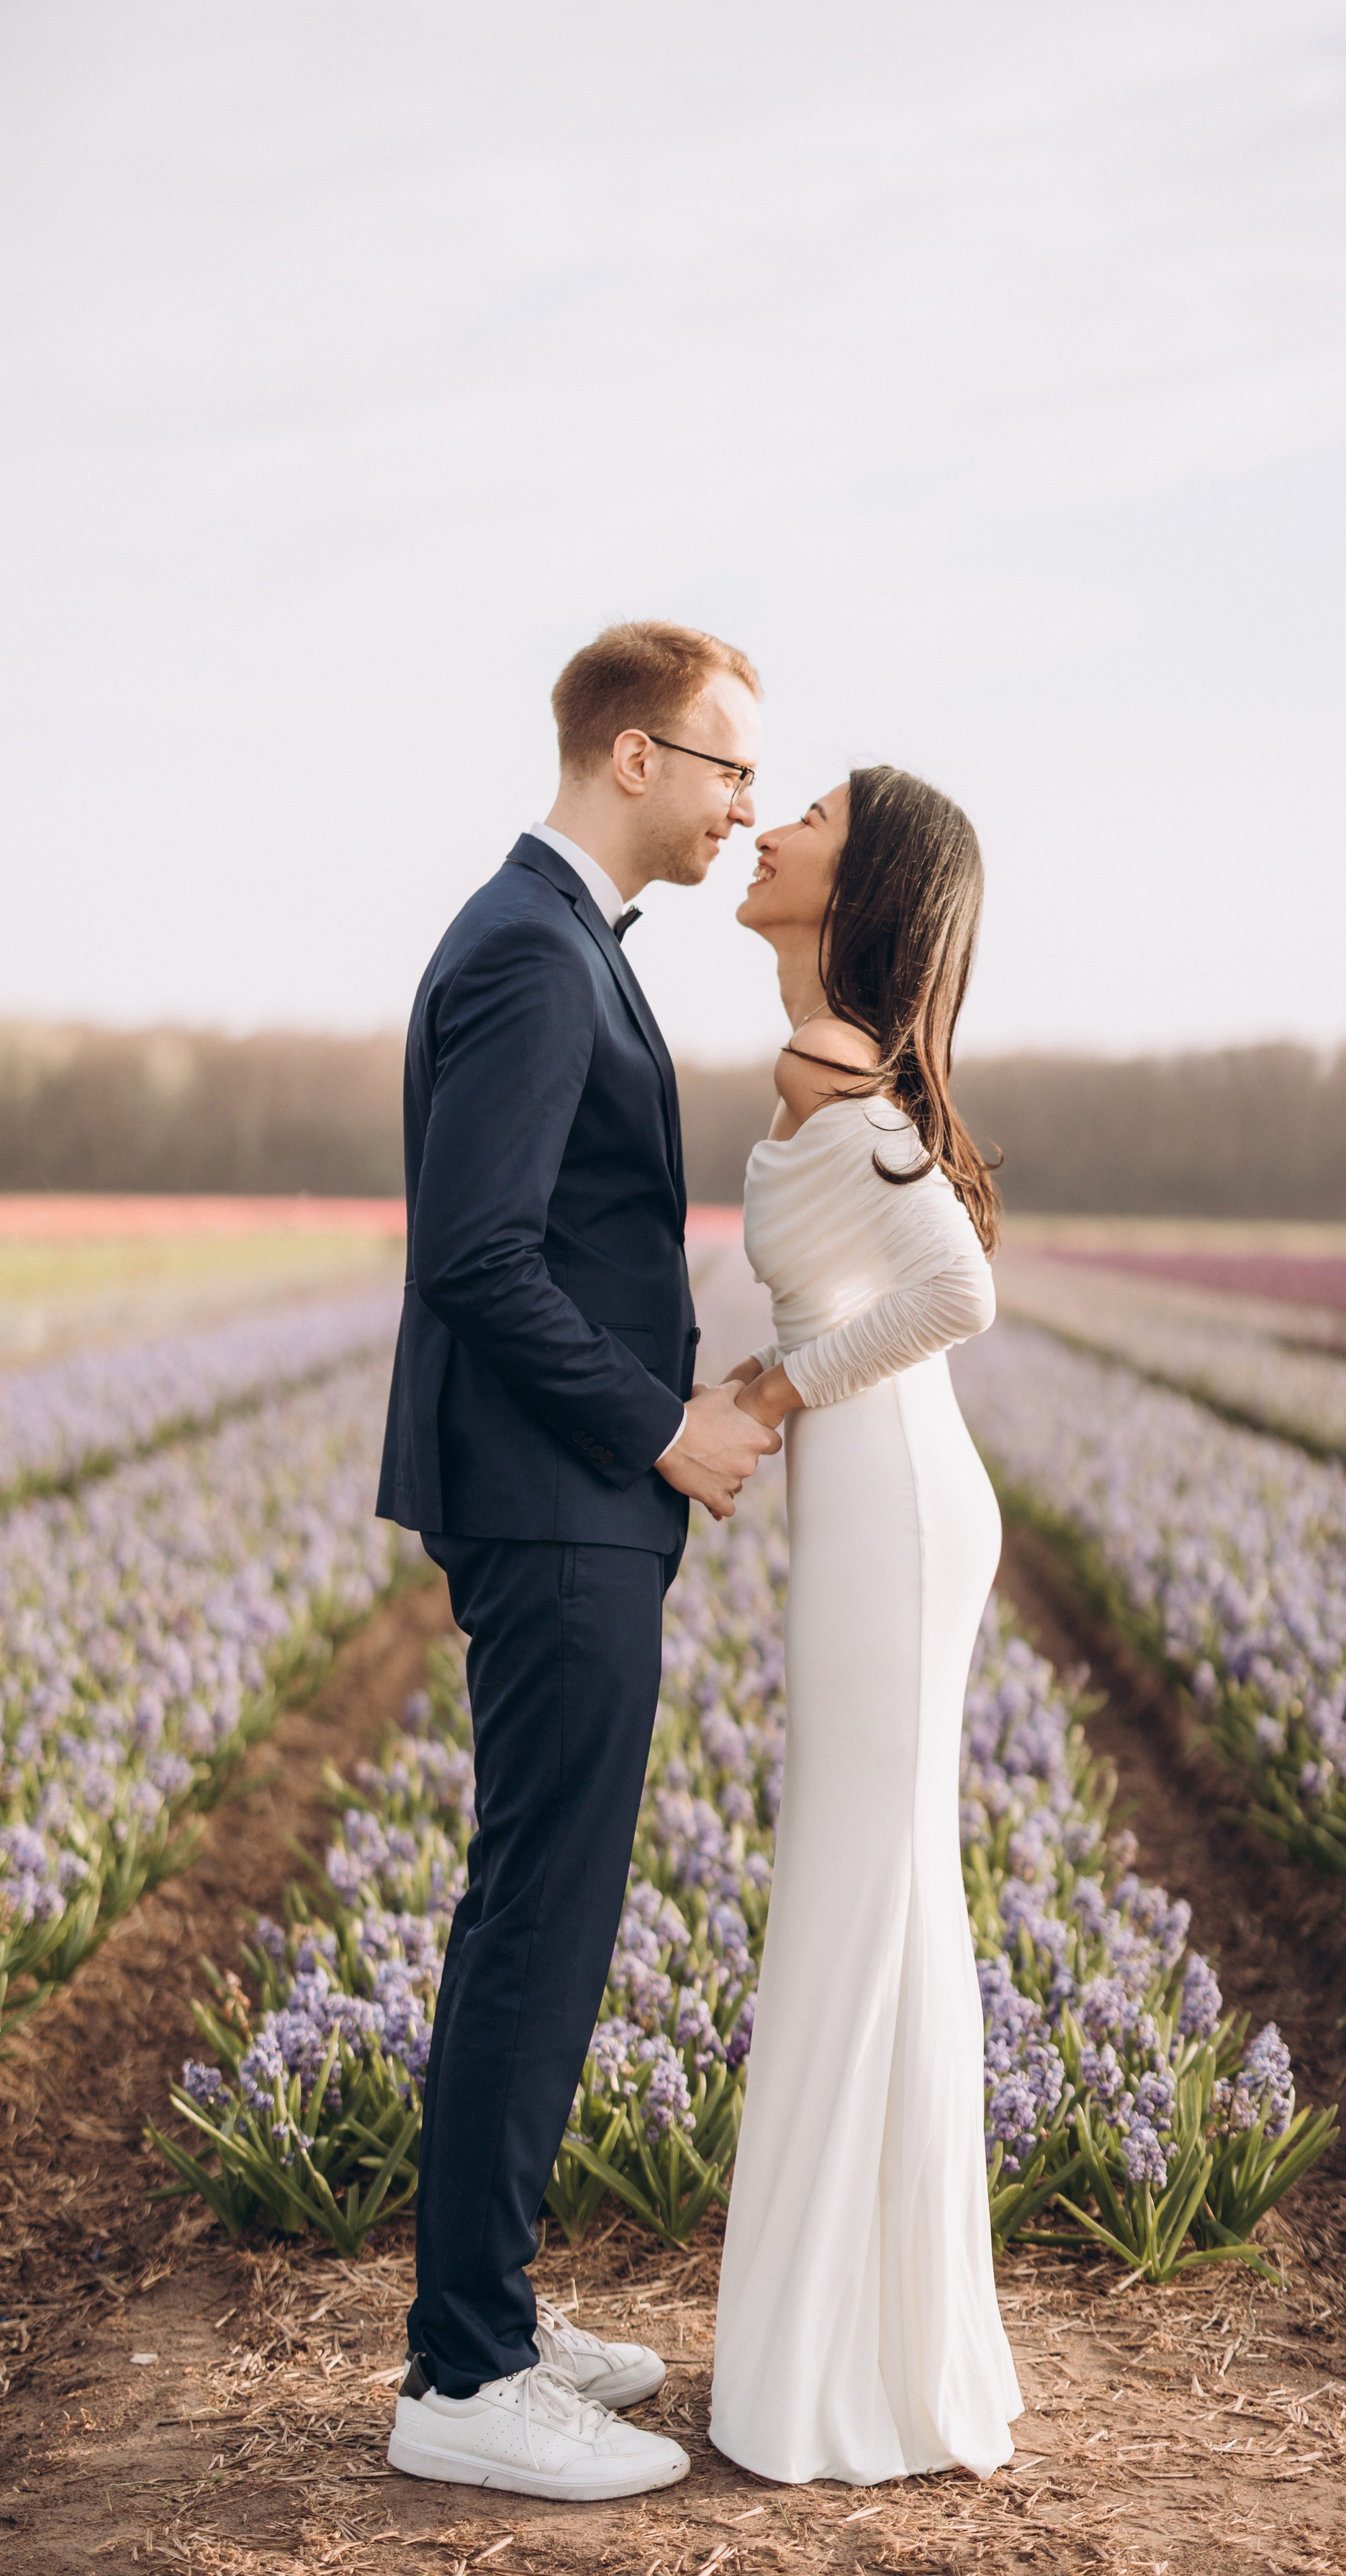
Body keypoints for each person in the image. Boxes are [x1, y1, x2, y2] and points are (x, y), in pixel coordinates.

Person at [378, 620, 781, 2502]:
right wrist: (659, 1427)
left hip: (565, 1499)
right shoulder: (534, 951)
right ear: (634, 755)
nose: (742, 807)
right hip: (554, 1497)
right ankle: (464, 2377)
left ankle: (494, 2320)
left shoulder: (554, 937)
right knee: (536, 1921)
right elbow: (475, 1254)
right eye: (726, 768)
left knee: (541, 1911)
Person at [708, 765, 1021, 2484]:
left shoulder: (830, 1064)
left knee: (860, 1882)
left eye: (810, 817)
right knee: (875, 1886)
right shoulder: (826, 1056)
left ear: (864, 881)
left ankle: (846, 2362)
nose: (769, 828)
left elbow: (955, 1290)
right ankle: (875, 2348)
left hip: (892, 1507)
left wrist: (774, 1388)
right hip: (875, 1502)